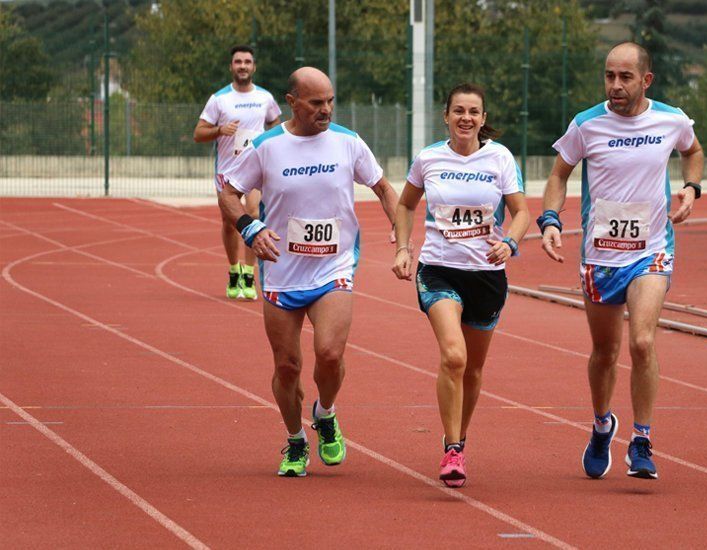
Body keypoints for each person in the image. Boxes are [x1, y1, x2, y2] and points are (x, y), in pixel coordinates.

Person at [218, 66, 399, 477]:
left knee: (330, 354)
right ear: (292, 102)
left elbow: (385, 188)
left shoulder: (348, 143)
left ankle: (326, 412)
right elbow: (229, 193)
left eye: (330, 101)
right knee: (287, 366)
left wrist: (399, 232)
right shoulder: (267, 147)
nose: (326, 110)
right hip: (282, 270)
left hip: (334, 266)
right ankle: (295, 440)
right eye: (316, 102)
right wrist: (250, 228)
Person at [538, 42, 704, 480]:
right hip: (600, 256)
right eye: (609, 76)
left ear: (645, 80)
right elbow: (559, 174)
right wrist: (550, 219)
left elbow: (693, 151)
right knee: (605, 352)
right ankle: (600, 424)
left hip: (651, 250)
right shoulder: (586, 124)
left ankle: (643, 440)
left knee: (642, 342)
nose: (615, 85)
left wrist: (691, 188)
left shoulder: (671, 119)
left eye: (625, 77)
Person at [392, 83, 530, 488]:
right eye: (458, 111)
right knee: (454, 356)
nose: (466, 118)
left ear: (483, 119)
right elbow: (405, 204)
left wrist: (510, 242)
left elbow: (521, 211)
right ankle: (452, 449)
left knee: (473, 368)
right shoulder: (429, 158)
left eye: (474, 112)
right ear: (446, 116)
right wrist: (404, 246)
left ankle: (460, 437)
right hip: (439, 270)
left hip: (486, 275)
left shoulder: (500, 157)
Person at [194, 44, 281, 300]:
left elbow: (276, 122)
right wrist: (220, 130)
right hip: (227, 170)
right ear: (231, 66)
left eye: (247, 62)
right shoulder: (219, 99)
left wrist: (269, 137)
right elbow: (198, 133)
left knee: (253, 214)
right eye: (238, 62)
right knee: (229, 222)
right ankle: (234, 271)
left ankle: (249, 273)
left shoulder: (265, 97)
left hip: (255, 168)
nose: (242, 66)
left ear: (254, 66)